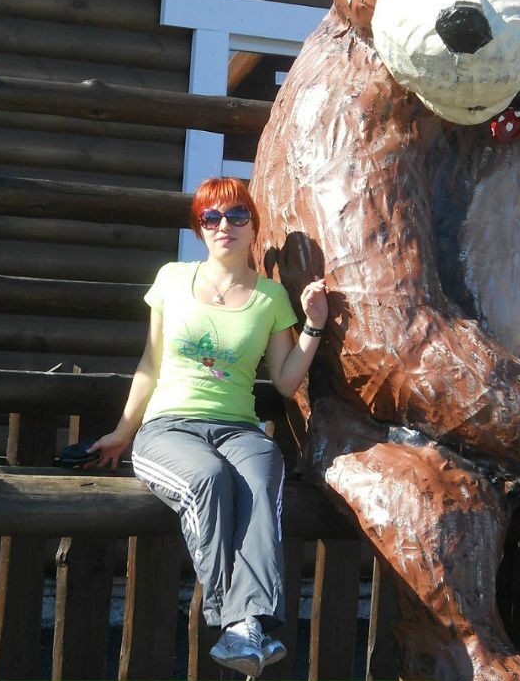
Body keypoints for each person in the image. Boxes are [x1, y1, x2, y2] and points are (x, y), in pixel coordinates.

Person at [89, 176, 328, 677]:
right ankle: (238, 622)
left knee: (263, 477)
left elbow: (286, 383)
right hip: (169, 430)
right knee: (207, 480)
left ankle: (244, 629)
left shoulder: (270, 298)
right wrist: (122, 431)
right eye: (211, 217)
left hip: (238, 430)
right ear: (200, 227)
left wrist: (313, 326)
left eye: (237, 215)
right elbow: (151, 363)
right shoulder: (173, 278)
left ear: (253, 225)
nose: (224, 226)